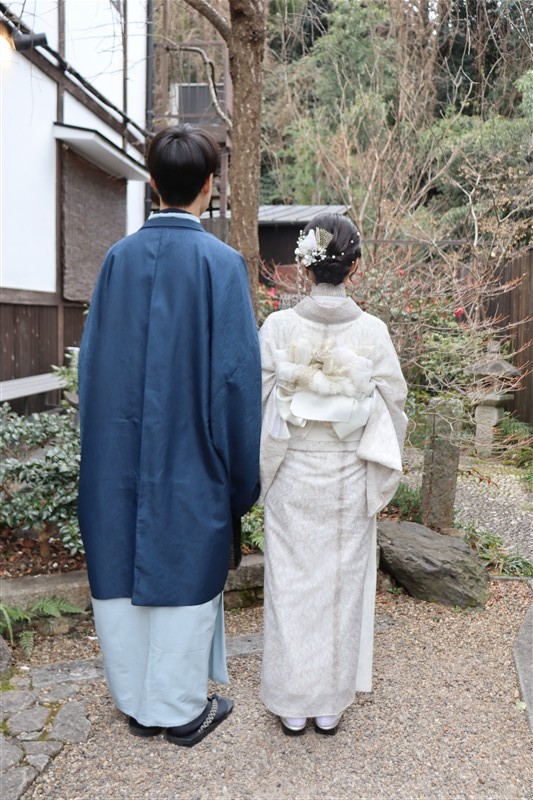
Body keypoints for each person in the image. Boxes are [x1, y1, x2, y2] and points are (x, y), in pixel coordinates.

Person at [78, 124, 261, 747]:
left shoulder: (117, 260)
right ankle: (180, 712)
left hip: (117, 456)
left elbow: (92, 369)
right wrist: (240, 479)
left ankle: (137, 703)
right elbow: (236, 382)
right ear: (209, 186)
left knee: (122, 562)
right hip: (191, 457)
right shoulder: (222, 265)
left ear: (152, 182)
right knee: (185, 560)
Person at [259, 214, 407, 735]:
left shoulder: (278, 327)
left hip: (292, 472)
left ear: (302, 267)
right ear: (355, 268)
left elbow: (259, 403)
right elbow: (393, 405)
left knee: (290, 585)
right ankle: (329, 706)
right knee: (340, 587)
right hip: (347, 473)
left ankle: (291, 703)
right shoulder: (372, 331)